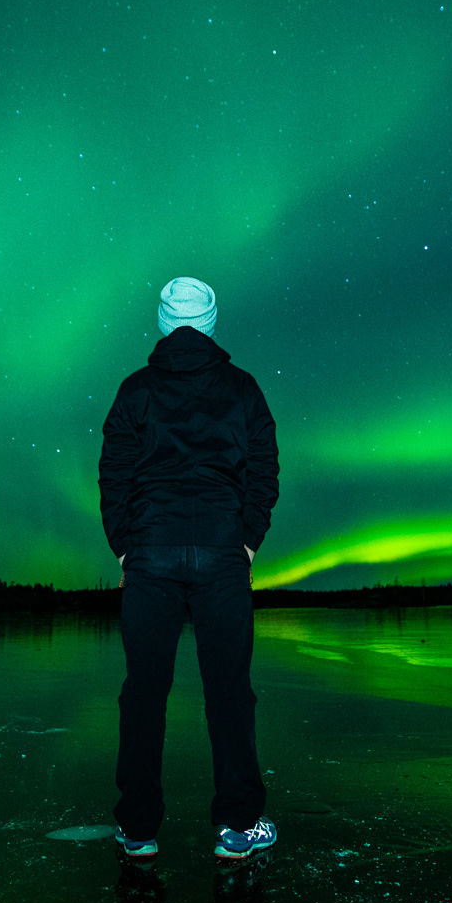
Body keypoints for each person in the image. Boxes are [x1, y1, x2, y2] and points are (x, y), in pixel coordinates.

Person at [98, 276, 280, 860]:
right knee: (229, 693)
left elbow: (114, 474)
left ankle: (138, 828)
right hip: (222, 553)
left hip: (151, 554)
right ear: (211, 321)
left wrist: (126, 547)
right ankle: (238, 825)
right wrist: (247, 542)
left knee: (144, 694)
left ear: (161, 320)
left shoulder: (135, 391)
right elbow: (265, 469)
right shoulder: (244, 388)